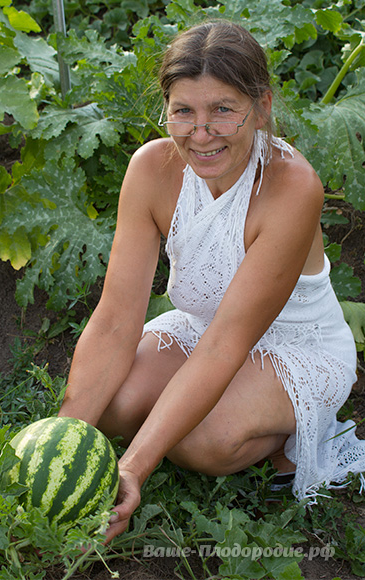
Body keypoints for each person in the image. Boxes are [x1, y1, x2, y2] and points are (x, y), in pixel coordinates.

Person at [59, 20, 365, 542]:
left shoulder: (293, 188)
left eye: (222, 109)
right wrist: (63, 440)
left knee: (205, 441)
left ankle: (280, 442)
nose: (200, 133)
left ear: (261, 106)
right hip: (203, 326)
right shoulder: (151, 169)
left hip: (295, 346)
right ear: (167, 110)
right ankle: (181, 421)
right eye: (184, 111)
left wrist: (132, 468)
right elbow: (114, 318)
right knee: (112, 404)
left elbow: (228, 344)